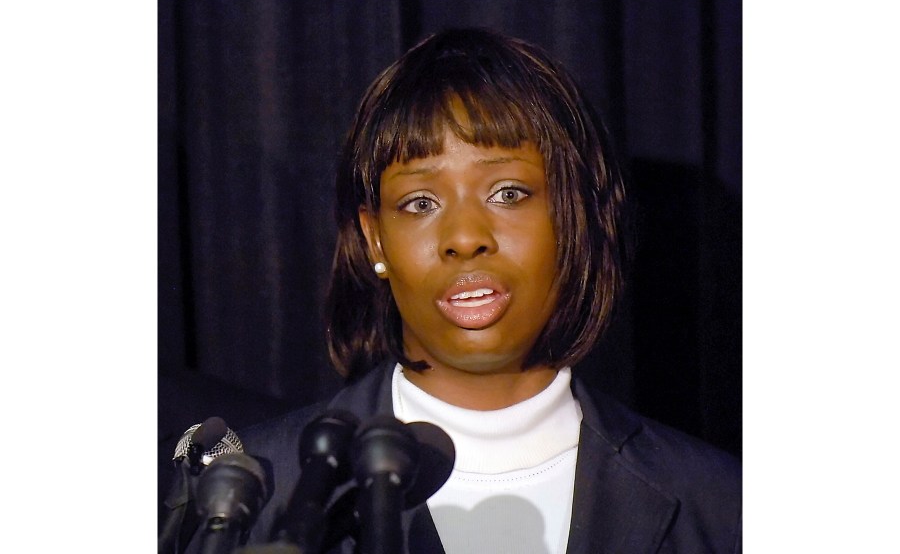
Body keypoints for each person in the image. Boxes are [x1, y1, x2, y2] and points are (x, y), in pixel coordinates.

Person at [193, 28, 741, 553]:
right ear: (375, 239)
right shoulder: (246, 494)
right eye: (420, 204)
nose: (463, 239)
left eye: (508, 192)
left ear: (577, 216)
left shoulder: (723, 507)